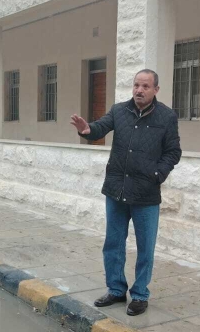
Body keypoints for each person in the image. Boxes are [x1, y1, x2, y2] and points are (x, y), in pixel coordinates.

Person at [71, 69, 181, 316]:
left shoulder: (166, 116)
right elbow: (100, 127)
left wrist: (157, 174)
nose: (139, 90)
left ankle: (140, 294)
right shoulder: (119, 110)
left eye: (145, 86)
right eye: (136, 85)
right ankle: (116, 289)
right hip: (116, 190)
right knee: (113, 243)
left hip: (146, 194)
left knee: (145, 247)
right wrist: (87, 129)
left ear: (156, 89)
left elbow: (173, 151)